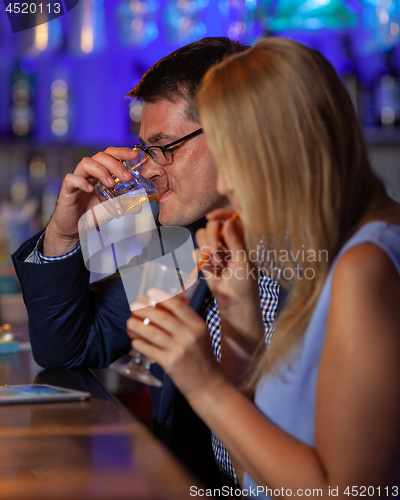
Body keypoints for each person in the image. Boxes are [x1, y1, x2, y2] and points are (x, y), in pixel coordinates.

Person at [125, 37, 400, 497]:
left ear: (285, 150)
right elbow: (249, 473)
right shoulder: (319, 253)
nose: (227, 182)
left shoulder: (366, 266)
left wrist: (206, 385)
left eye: (234, 160)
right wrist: (240, 320)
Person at [11, 37, 285, 490]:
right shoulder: (181, 242)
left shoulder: (316, 256)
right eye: (145, 149)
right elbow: (69, 348)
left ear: (235, 133)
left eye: (164, 147)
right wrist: (63, 232)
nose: (149, 170)